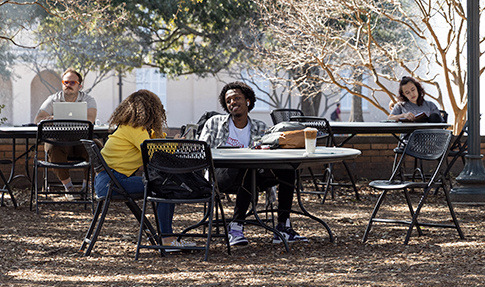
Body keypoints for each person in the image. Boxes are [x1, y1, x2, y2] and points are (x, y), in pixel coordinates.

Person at [199, 81, 307, 246]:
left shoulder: (260, 127)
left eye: (237, 98)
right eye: (228, 101)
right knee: (247, 167)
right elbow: (202, 153)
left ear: (247, 101)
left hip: (253, 176)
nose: (232, 103)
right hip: (220, 174)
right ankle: (236, 227)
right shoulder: (215, 123)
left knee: (287, 170)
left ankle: (283, 226)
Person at [95, 90, 189, 249]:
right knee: (166, 188)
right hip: (112, 183)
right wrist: (177, 145)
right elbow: (153, 153)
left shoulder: (130, 127)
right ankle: (167, 238)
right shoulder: (135, 129)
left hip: (108, 181)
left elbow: (155, 144)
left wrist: (166, 139)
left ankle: (166, 237)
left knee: (163, 186)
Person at [34, 68, 98, 195]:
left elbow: (90, 119)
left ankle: (87, 187)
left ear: (80, 86)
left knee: (97, 148)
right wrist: (52, 118)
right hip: (59, 140)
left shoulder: (89, 100)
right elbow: (38, 119)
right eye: (65, 82)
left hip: (81, 140)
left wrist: (59, 118)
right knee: (51, 147)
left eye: (72, 83)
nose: (68, 85)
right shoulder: (53, 99)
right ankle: (69, 188)